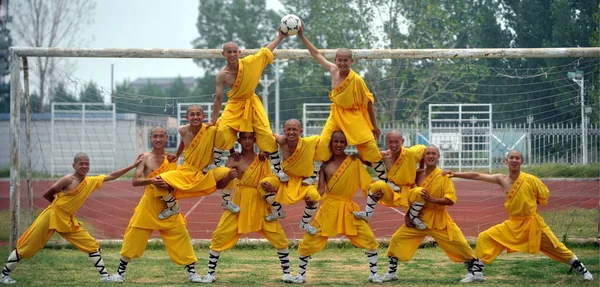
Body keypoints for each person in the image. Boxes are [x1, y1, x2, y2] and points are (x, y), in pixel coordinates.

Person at [110, 126, 236, 283]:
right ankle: (120, 273)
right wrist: (150, 180)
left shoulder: (172, 159)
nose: (158, 139)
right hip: (149, 203)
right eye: (155, 136)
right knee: (133, 236)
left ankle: (192, 273)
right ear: (150, 138)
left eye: (161, 136)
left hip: (168, 205)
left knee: (180, 235)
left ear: (166, 138)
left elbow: (184, 166)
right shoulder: (144, 158)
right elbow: (135, 181)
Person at [446, 150, 594, 282]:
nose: (514, 160)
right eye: (511, 158)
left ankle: (584, 271)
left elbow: (544, 194)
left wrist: (531, 202)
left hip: (532, 223)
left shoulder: (530, 179)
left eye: (517, 158)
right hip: (513, 224)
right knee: (486, 237)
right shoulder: (501, 179)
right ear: (506, 161)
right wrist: (456, 174)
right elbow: (478, 175)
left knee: (556, 246)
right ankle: (477, 273)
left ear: (522, 161)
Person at [0, 153, 141, 284]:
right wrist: (59, 207)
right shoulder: (68, 179)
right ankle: (4, 275)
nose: (84, 166)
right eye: (81, 164)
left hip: (67, 220)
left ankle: (104, 276)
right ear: (74, 165)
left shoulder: (90, 181)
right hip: (51, 216)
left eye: (87, 164)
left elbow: (112, 176)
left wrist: (133, 166)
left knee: (91, 244)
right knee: (27, 245)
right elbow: (48, 193)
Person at [297, 25, 398, 191]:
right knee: (323, 143)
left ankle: (386, 180)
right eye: (339, 60)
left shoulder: (356, 79)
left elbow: (369, 102)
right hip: (336, 114)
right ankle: (312, 176)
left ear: (351, 61)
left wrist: (374, 125)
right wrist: (302, 36)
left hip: (354, 116)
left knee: (369, 146)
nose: (342, 63)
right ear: (336, 60)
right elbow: (316, 53)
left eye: (346, 60)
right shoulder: (333, 70)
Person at [291, 131, 382, 284]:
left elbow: (367, 184)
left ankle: (374, 274)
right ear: (331, 143)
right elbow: (320, 190)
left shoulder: (354, 161)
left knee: (369, 239)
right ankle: (301, 275)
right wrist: (310, 198)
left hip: (348, 209)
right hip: (329, 208)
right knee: (309, 241)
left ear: (346, 144)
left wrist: (375, 193)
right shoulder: (324, 165)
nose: (338, 145)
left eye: (342, 142)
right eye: (335, 141)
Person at [202, 132, 292, 284]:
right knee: (220, 235)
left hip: (260, 201)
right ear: (239, 140)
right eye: (244, 138)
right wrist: (229, 177)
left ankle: (287, 273)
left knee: (279, 237)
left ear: (255, 140)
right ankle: (210, 273)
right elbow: (220, 185)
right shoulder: (233, 159)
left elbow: (274, 182)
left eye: (250, 138)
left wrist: (271, 187)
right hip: (239, 203)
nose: (248, 141)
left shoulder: (263, 158)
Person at [382, 145, 478, 283]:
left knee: (459, 243)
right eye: (428, 154)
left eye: (434, 154)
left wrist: (431, 199)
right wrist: (409, 214)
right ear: (424, 157)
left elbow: (450, 200)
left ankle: (475, 272)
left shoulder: (444, 175)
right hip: (419, 218)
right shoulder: (417, 174)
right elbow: (413, 197)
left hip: (439, 218)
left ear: (438, 156)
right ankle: (392, 273)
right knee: (398, 238)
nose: (431, 156)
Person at [204, 28, 289, 182]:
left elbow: (264, 52)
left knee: (266, 134)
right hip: (234, 105)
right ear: (223, 54)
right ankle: (215, 164)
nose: (232, 55)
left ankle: (278, 169)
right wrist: (213, 120)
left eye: (234, 51)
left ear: (239, 52)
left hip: (252, 102)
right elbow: (218, 98)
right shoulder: (222, 75)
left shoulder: (249, 63)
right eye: (228, 52)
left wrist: (280, 37)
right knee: (222, 130)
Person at [156, 105, 234, 220]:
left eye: (198, 114)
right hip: (187, 171)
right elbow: (184, 142)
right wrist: (177, 155)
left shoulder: (210, 129)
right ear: (186, 117)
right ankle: (173, 207)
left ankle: (226, 202)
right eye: (192, 114)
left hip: (208, 171)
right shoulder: (182, 130)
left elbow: (226, 138)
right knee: (158, 180)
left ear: (203, 116)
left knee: (229, 173)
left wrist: (233, 152)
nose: (195, 117)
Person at [354, 130, 427, 229]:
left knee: (421, 192)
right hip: (391, 192)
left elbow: (424, 149)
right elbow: (368, 160)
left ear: (402, 141)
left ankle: (413, 216)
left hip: (409, 192)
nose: (393, 145)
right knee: (377, 185)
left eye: (396, 142)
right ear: (386, 141)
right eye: (391, 142)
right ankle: (367, 213)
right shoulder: (383, 156)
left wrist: (421, 168)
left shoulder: (411, 153)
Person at [258, 119, 322, 232]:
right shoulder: (282, 141)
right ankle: (279, 211)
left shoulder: (309, 142)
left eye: (294, 129)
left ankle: (305, 223)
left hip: (304, 182)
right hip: (285, 179)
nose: (291, 132)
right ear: (284, 131)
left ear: (301, 131)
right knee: (263, 184)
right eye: (288, 129)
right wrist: (265, 150)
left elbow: (326, 142)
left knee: (314, 196)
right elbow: (268, 136)